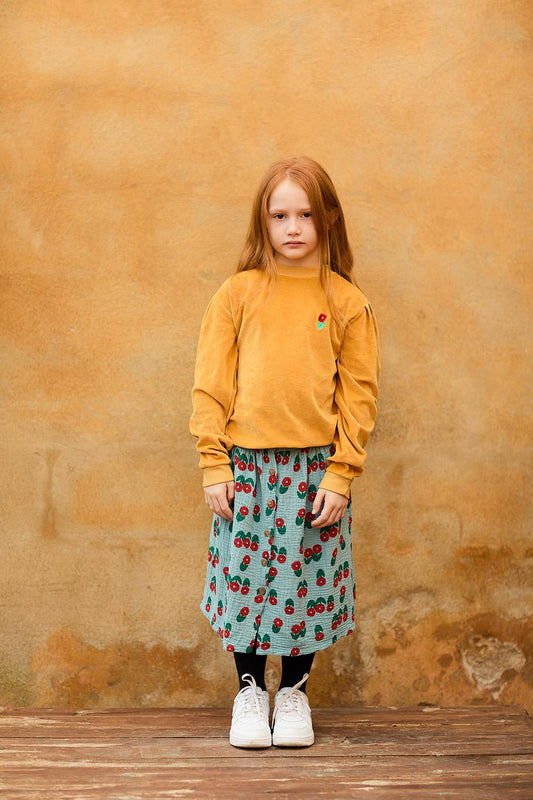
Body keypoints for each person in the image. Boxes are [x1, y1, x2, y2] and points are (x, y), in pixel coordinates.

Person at [189, 156, 380, 749]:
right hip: (246, 468)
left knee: (306, 584)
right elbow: (210, 385)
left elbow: (359, 395)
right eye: (279, 216)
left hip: (315, 472)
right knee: (246, 583)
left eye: (305, 215)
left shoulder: (345, 301)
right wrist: (213, 461)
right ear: (263, 221)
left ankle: (294, 693)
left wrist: (341, 473)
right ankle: (249, 692)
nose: (293, 227)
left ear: (328, 219)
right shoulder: (237, 294)